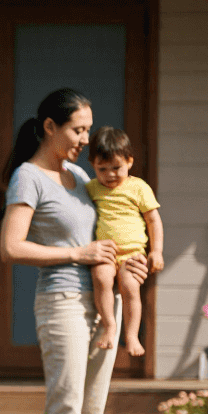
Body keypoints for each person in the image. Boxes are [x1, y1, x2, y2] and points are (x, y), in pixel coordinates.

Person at [0, 89, 147, 414]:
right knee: (65, 411)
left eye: (87, 128)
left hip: (105, 306)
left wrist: (133, 262)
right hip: (62, 302)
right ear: (50, 127)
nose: (86, 138)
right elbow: (11, 248)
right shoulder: (29, 178)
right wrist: (77, 253)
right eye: (77, 129)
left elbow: (116, 229)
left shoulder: (81, 176)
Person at [85, 126, 164, 356]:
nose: (110, 174)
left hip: (132, 253)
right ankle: (110, 326)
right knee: (101, 278)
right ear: (92, 165)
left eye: (116, 167)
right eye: (102, 169)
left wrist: (156, 251)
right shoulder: (91, 188)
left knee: (130, 287)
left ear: (129, 161)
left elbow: (154, 221)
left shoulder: (138, 187)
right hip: (106, 253)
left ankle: (131, 336)